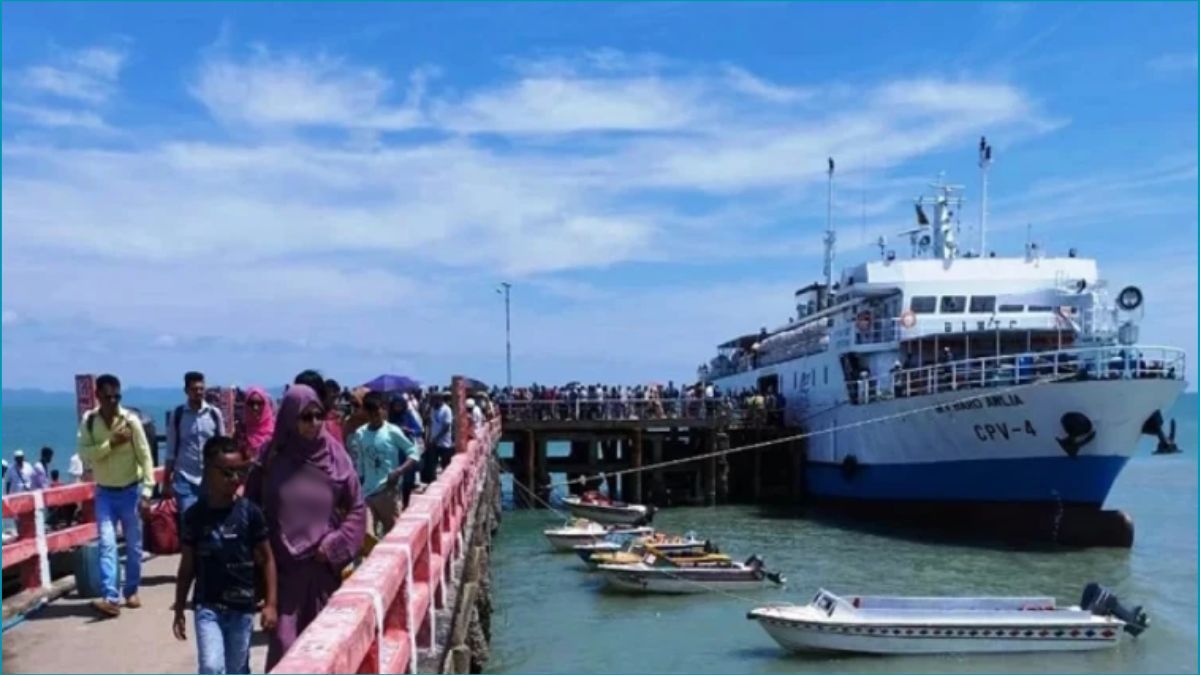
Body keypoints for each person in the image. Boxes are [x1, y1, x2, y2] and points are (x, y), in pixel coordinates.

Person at [245, 385, 365, 670]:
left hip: (323, 571)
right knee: (286, 647)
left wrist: (335, 544)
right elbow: (249, 506)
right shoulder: (270, 457)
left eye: (317, 416)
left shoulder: (335, 457)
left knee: (325, 647)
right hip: (282, 573)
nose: (313, 424)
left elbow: (358, 508)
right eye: (305, 417)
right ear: (289, 418)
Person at [174, 436, 278, 675]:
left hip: (242, 607)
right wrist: (180, 608)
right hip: (207, 607)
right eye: (227, 472)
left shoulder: (250, 513)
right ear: (208, 472)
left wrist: (271, 604)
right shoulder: (194, 517)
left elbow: (267, 559)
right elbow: (187, 567)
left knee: (237, 668)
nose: (235, 479)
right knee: (211, 666)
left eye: (240, 472)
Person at [77, 373, 155, 617]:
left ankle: (131, 590)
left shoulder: (130, 421)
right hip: (105, 494)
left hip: (131, 491)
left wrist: (147, 491)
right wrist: (110, 443)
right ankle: (110, 597)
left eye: (117, 396)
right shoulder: (89, 422)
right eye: (108, 396)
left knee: (133, 545)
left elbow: (145, 456)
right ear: (98, 396)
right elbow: (85, 456)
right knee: (107, 545)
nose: (113, 401)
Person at [349, 392, 421, 534]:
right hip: (367, 493)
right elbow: (361, 461)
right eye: (371, 414)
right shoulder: (360, 434)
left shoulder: (392, 431)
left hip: (388, 491)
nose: (375, 417)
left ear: (383, 410)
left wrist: (399, 471)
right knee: (367, 535)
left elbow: (413, 453)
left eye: (377, 412)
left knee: (392, 533)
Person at [166, 372, 227, 524]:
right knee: (188, 521)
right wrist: (167, 481)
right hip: (185, 477)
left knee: (211, 521)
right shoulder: (178, 414)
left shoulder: (214, 414)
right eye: (194, 389)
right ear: (186, 391)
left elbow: (223, 446)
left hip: (209, 477)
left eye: (201, 389)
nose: (198, 393)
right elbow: (171, 449)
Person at [424, 392, 454, 482]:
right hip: (433, 442)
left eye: (435, 399)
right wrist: (428, 438)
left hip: (444, 443)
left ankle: (447, 482)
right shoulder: (433, 409)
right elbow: (430, 424)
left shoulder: (446, 410)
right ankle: (433, 482)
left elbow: (446, 427)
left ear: (440, 399)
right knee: (432, 464)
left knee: (445, 464)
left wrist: (436, 439)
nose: (433, 402)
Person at [241, 387, 276, 458]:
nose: (255, 407)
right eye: (251, 403)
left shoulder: (276, 429)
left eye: (259, 403)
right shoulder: (241, 430)